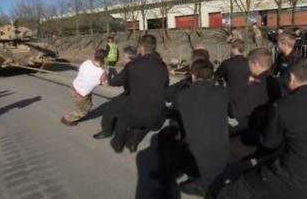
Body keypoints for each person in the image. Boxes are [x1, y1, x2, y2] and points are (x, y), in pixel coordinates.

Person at [216, 59, 307, 199]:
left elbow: (270, 143)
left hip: (293, 183)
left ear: (292, 77)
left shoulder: (285, 106)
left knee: (233, 190)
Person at [160, 59, 230, 197]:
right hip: (223, 160)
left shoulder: (183, 95)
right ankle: (202, 182)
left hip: (196, 162)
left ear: (192, 76)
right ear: (212, 76)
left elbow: (171, 110)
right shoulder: (223, 92)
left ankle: (168, 177)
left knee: (164, 138)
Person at [110, 34, 169, 153]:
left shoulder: (132, 66)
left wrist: (108, 80)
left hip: (137, 111)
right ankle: (132, 143)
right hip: (156, 114)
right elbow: (165, 86)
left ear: (141, 48)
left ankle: (117, 144)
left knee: (123, 118)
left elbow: (117, 81)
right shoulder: (163, 66)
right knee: (144, 120)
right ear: (154, 48)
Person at [229, 48, 282, 146]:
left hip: (260, 136)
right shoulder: (273, 80)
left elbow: (236, 112)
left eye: (248, 63)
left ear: (255, 63)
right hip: (270, 130)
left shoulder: (259, 84)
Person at [93, 46, 138, 139]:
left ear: (128, 58)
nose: (122, 57)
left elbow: (118, 80)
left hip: (133, 94)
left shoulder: (130, 66)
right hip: (141, 92)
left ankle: (107, 132)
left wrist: (108, 82)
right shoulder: (142, 62)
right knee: (116, 100)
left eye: (124, 56)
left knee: (109, 108)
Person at [61, 49, 108, 126]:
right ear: (104, 59)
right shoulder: (102, 72)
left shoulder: (87, 62)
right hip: (81, 94)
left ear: (95, 56)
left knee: (86, 103)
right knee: (84, 110)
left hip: (75, 87)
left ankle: (78, 112)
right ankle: (67, 119)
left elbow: (82, 71)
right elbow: (105, 83)